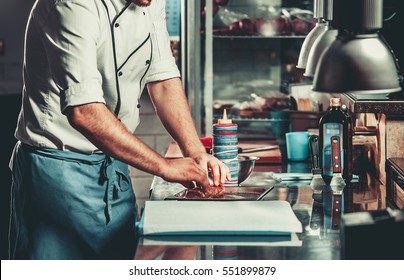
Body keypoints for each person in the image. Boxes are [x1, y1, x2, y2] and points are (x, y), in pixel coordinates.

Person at [8, 0, 230, 260]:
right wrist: (166, 166)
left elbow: (163, 80)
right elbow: (84, 112)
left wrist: (195, 153)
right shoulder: (71, 4)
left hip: (113, 167)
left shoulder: (151, 2)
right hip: (56, 175)